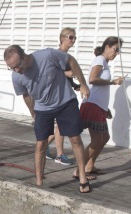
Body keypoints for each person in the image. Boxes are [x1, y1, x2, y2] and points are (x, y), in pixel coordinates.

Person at [4, 44, 92, 192]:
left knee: (75, 139)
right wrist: (33, 112)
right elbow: (26, 95)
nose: (17, 70)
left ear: (25, 56)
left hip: (65, 102)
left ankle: (82, 176)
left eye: (18, 65)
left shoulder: (48, 56)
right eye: (12, 68)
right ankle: (39, 183)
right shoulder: (16, 76)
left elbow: (71, 61)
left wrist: (83, 84)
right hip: (42, 108)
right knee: (41, 144)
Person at [79, 37, 124, 178]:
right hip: (92, 105)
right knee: (97, 140)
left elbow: (99, 88)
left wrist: (106, 108)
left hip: (99, 106)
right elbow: (92, 79)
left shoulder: (104, 62)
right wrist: (112, 81)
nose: (116, 53)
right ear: (107, 47)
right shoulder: (100, 60)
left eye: (118, 51)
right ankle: (79, 171)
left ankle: (89, 165)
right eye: (115, 49)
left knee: (105, 137)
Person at [44, 27, 78, 167]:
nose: (73, 40)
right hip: (55, 94)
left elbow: (65, 78)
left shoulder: (66, 56)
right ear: (62, 38)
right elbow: (50, 72)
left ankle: (43, 146)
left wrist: (75, 85)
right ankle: (60, 155)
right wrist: (67, 74)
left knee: (60, 126)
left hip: (63, 94)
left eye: (75, 38)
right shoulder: (57, 54)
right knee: (61, 127)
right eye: (71, 37)